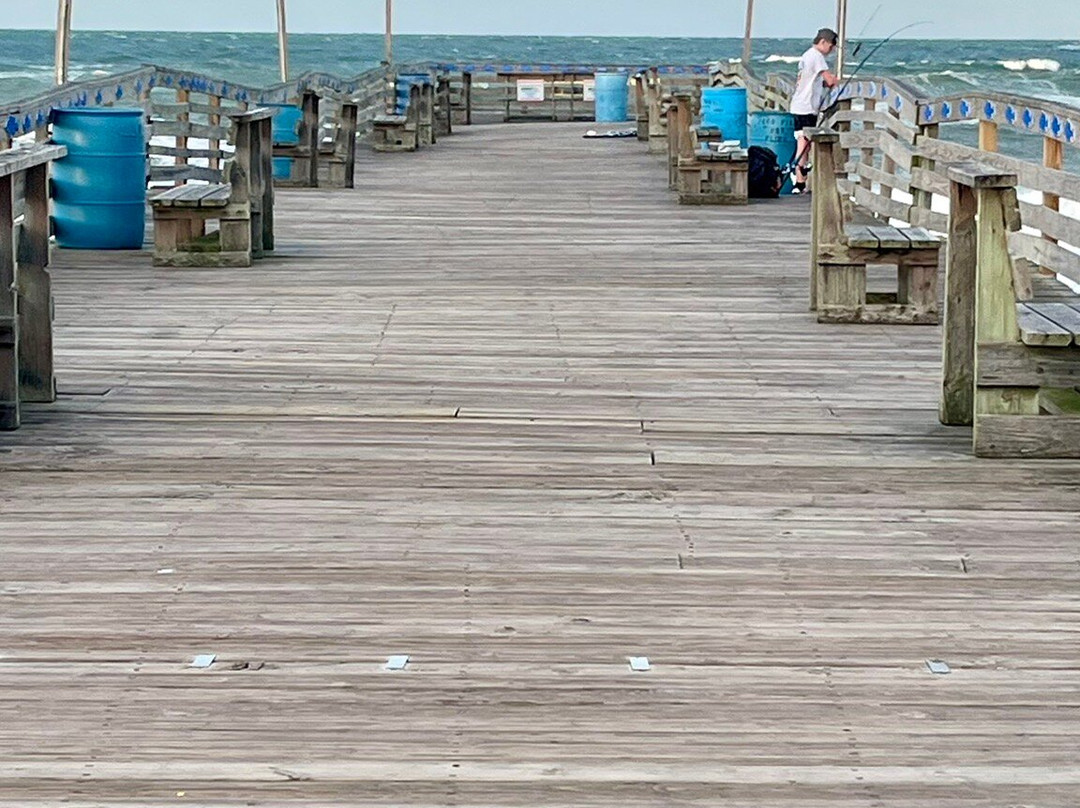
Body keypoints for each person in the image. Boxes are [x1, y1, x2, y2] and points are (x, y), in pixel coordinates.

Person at [790, 28, 840, 194]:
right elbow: (829, 80)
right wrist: (836, 81)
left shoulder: (807, 55)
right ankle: (799, 179)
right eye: (831, 46)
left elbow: (816, 81)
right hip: (806, 107)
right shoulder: (817, 56)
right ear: (823, 42)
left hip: (800, 105)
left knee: (803, 141)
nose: (831, 50)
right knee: (804, 142)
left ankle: (800, 180)